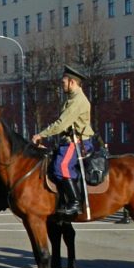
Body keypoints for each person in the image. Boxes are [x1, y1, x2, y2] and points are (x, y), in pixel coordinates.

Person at [31, 65, 94, 217]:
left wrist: (41, 134)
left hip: (78, 142)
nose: (62, 85)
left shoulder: (77, 101)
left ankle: (75, 203)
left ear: (72, 82)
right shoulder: (71, 99)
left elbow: (61, 123)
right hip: (69, 140)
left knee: (62, 166)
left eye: (63, 82)